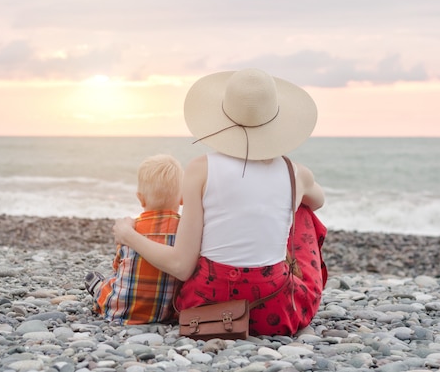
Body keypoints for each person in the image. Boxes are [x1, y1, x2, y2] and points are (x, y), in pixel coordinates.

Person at [113, 68, 328, 336]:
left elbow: (181, 267)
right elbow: (318, 202)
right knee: (304, 211)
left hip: (207, 306)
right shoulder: (296, 172)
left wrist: (128, 235)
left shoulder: (200, 168)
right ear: (275, 121)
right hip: (276, 310)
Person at [85, 154, 183, 324]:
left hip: (119, 311)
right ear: (182, 198)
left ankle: (98, 288)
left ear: (140, 198)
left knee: (98, 279)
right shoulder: (185, 231)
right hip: (165, 313)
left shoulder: (131, 229)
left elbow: (118, 266)